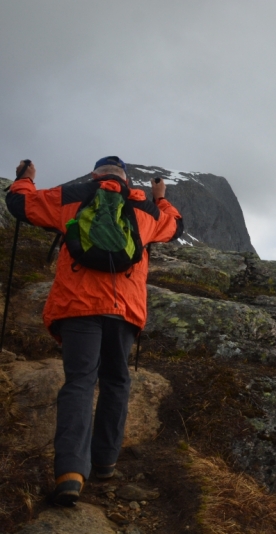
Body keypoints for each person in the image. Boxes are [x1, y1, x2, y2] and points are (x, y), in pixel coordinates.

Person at [6, 156, 183, 506]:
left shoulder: (71, 196)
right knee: (116, 380)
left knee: (79, 381)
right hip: (124, 309)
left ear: (94, 175)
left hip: (78, 306)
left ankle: (70, 472)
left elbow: (19, 204)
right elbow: (175, 226)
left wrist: (25, 177)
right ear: (125, 179)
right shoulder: (144, 208)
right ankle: (105, 462)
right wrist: (160, 197)